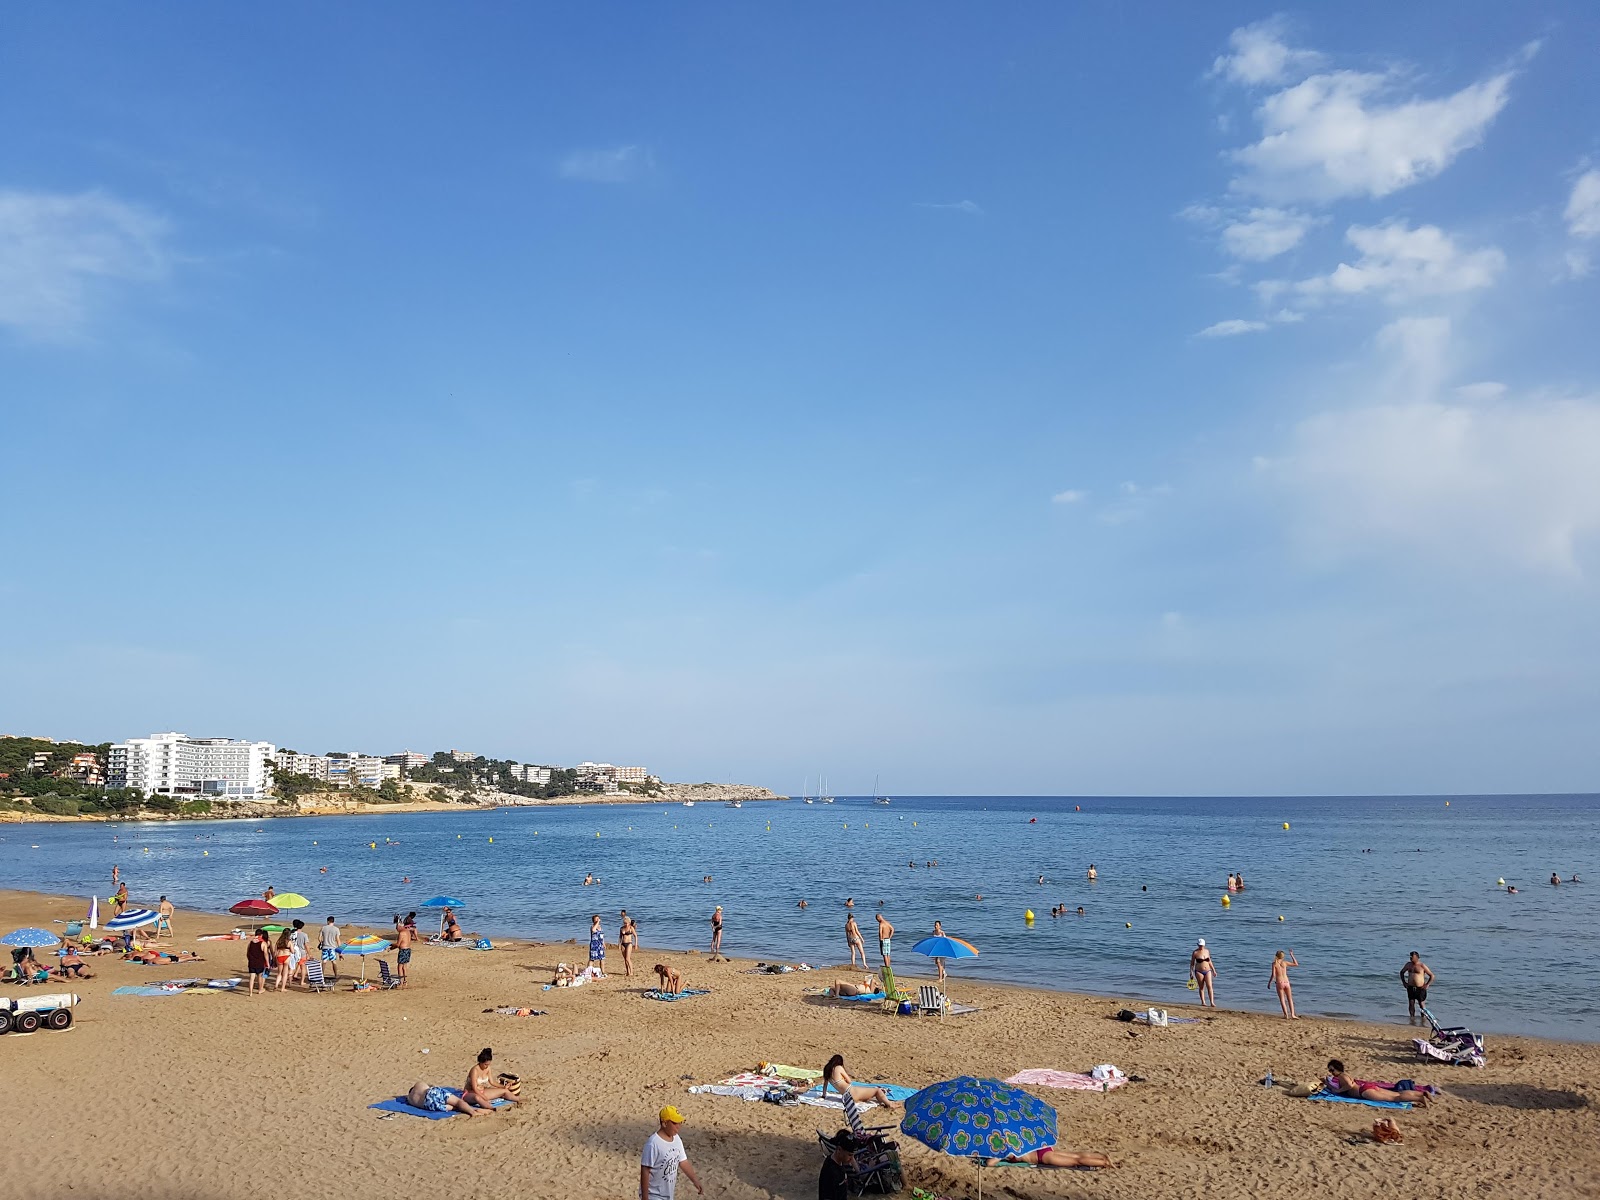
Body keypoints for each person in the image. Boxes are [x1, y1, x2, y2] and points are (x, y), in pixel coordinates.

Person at [641, 1106, 703, 1200]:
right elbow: (645, 1170)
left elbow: (683, 1161)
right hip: (654, 1195)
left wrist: (695, 1181)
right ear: (664, 1123)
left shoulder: (677, 1139)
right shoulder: (653, 1144)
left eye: (680, 1122)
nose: (678, 1126)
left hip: (668, 1195)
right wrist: (645, 1198)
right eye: (674, 1123)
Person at [1324, 1059, 1434, 1105]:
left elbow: (1349, 1085)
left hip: (1364, 1091)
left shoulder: (1342, 1077)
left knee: (1395, 1098)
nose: (1331, 1072)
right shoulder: (1344, 1074)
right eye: (1330, 1070)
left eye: (1332, 1070)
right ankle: (1422, 1093)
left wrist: (1338, 1089)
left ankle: (1419, 1098)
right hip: (1366, 1087)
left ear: (1337, 1069)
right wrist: (1328, 1083)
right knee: (1397, 1094)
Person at [821, 1054, 898, 1110]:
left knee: (869, 1093)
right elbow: (849, 1081)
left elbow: (825, 1085)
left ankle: (882, 1102)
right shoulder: (838, 1068)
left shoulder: (826, 1070)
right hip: (851, 1092)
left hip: (845, 1098)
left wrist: (824, 1096)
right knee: (877, 1090)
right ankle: (889, 1104)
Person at [406, 1082, 486, 1117]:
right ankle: (473, 1112)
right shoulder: (418, 1084)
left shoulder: (409, 1099)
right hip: (432, 1092)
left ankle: (472, 1110)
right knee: (458, 1101)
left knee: (455, 1107)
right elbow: (431, 1086)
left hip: (428, 1104)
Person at [985, 1147, 1113, 1169]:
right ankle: (1101, 1157)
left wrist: (998, 1155)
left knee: (1076, 1161)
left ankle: (1103, 1163)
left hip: (1042, 1157)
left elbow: (990, 1163)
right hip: (1043, 1149)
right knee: (1075, 1154)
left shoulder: (1007, 1151)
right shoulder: (1014, 1140)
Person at [819, 1129, 854, 1200]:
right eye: (850, 1155)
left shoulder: (840, 1162)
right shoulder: (830, 1171)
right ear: (839, 1150)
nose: (852, 1159)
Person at [1400, 951, 1434, 1019]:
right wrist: (1404, 982)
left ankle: (1423, 1018)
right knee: (1411, 1003)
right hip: (1410, 987)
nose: (1411, 958)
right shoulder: (1408, 965)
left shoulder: (1422, 965)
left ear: (1417, 957)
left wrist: (1427, 984)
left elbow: (1432, 976)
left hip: (1420, 988)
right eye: (1410, 957)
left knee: (1421, 1004)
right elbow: (1402, 972)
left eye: (1412, 957)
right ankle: (1412, 1018)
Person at [1269, 949, 1299, 1018]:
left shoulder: (1274, 964)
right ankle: (1293, 1014)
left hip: (1279, 983)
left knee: (1282, 999)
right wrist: (1292, 955)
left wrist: (1269, 983)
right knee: (1290, 999)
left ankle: (1286, 1015)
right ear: (1283, 957)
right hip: (1286, 982)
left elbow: (1273, 975)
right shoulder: (1285, 963)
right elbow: (1296, 964)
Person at [1190, 939, 1217, 1007]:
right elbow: (1192, 963)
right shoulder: (1195, 952)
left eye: (1202, 945)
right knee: (1201, 987)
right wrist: (1191, 972)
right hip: (1199, 971)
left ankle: (1212, 1002)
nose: (1201, 947)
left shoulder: (1207, 951)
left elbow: (1209, 961)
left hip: (1208, 970)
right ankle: (1203, 1002)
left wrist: (1214, 970)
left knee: (1209, 986)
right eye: (1200, 945)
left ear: (1204, 945)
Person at [246, 928, 272, 995]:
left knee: (251, 978)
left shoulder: (251, 942)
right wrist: (268, 963)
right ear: (261, 935)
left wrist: (249, 959)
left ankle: (250, 992)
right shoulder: (263, 943)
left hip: (252, 962)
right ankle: (260, 989)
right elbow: (266, 954)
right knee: (260, 976)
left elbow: (247, 953)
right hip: (259, 962)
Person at [288, 918, 311, 987]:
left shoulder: (291, 934)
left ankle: (290, 980)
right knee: (303, 967)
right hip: (302, 952)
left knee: (292, 967)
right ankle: (302, 981)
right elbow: (306, 945)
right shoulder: (304, 935)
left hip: (292, 951)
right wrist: (309, 953)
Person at [320, 916, 342, 981]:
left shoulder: (323, 928)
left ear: (328, 921)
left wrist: (322, 942)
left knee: (324, 962)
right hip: (332, 947)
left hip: (325, 947)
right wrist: (340, 950)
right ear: (333, 921)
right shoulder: (336, 929)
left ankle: (322, 975)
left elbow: (319, 938)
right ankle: (336, 975)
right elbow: (338, 940)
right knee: (333, 962)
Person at [273, 927, 293, 991]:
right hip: (286, 956)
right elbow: (292, 951)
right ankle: (282, 988)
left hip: (279, 956)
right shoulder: (289, 942)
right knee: (285, 974)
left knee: (279, 973)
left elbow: (275, 951)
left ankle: (276, 985)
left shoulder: (279, 941)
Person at [619, 910, 638, 977]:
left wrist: (635, 944)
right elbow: (620, 937)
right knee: (625, 959)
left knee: (628, 958)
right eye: (624, 923)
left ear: (629, 923)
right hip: (623, 944)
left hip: (629, 943)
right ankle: (627, 972)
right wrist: (619, 945)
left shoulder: (631, 928)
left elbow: (635, 936)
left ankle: (631, 972)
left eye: (626, 923)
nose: (625, 924)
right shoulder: (621, 928)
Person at [395, 917, 414, 985]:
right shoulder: (407, 931)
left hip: (403, 950)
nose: (396, 929)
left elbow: (398, 944)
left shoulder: (401, 933)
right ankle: (405, 981)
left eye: (397, 927)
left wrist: (391, 946)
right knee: (404, 966)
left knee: (400, 966)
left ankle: (400, 981)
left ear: (400, 927)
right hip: (408, 950)